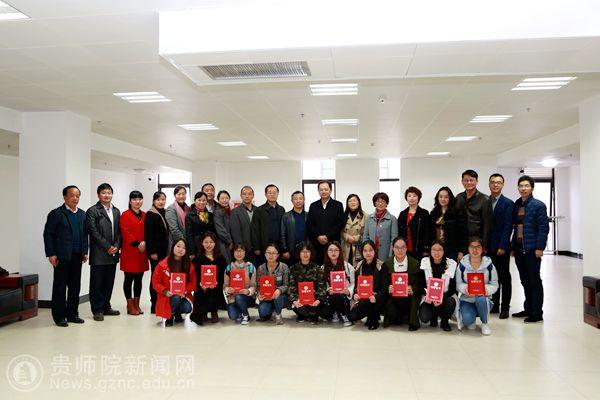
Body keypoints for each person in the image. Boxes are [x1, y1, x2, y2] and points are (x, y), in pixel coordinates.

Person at [43, 185, 89, 327]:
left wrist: (85, 251)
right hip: (62, 256)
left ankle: (73, 314)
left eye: (77, 195)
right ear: (65, 197)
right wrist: (51, 254)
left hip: (77, 255)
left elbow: (84, 235)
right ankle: (59, 317)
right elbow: (48, 234)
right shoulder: (57, 213)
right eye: (72, 195)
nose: (75, 198)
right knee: (60, 287)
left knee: (75, 286)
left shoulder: (82, 214)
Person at [511, 175, 550, 323]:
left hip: (532, 249)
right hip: (519, 248)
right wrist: (513, 246)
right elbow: (516, 228)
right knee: (524, 280)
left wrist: (540, 247)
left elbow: (543, 228)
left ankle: (537, 312)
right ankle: (528, 308)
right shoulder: (517, 204)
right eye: (521, 186)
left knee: (534, 280)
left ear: (532, 188)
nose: (523, 188)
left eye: (526, 186)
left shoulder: (538, 205)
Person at [87, 183, 121, 321]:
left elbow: (119, 232)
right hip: (99, 253)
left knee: (109, 282)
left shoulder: (116, 211)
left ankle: (106, 306)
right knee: (97, 283)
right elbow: (93, 232)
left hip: (113, 253)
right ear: (98, 195)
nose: (107, 195)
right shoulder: (93, 211)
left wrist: (117, 246)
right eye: (104, 193)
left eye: (109, 192)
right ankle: (97, 309)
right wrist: (107, 247)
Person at [456, 237, 499, 335]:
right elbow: (458, 284)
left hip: (483, 298)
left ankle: (485, 323)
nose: (475, 250)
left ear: (483, 249)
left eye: (478, 247)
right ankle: (471, 317)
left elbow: (495, 284)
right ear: (468, 248)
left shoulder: (489, 265)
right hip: (467, 299)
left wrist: (485, 290)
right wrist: (465, 289)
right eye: (472, 247)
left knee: (482, 300)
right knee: (468, 322)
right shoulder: (462, 265)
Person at [151, 239, 196, 327]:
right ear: (172, 247)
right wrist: (165, 291)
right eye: (178, 246)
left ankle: (176, 312)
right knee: (175, 297)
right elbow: (155, 282)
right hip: (167, 296)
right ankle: (170, 316)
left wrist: (185, 291)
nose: (180, 249)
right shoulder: (162, 265)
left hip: (182, 296)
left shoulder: (189, 265)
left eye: (184, 248)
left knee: (187, 308)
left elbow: (193, 283)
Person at [488, 173, 514, 319]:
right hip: (488, 247)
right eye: (493, 182)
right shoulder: (486, 201)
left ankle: (505, 307)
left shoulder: (508, 203)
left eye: (498, 182)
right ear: (489, 184)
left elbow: (508, 226)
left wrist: (503, 245)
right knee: (493, 276)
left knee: (504, 277)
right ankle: (494, 305)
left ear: (503, 185)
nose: (495, 185)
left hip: (501, 247)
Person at [119, 190, 149, 316]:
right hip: (130, 251)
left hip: (142, 251)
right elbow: (126, 232)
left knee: (139, 279)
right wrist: (138, 244)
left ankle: (137, 304)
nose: (138, 201)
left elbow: (149, 230)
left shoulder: (145, 215)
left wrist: (145, 242)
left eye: (140, 199)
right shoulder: (125, 215)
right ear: (130, 201)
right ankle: (130, 304)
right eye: (135, 199)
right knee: (128, 278)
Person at [382, 237, 422, 331]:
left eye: (402, 247)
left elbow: (420, 284)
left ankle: (410, 319)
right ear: (393, 248)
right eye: (397, 247)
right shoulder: (387, 264)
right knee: (391, 312)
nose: (400, 250)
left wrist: (413, 289)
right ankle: (399, 317)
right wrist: (388, 288)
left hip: (409, 298)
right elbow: (383, 284)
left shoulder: (415, 264)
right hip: (394, 298)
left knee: (412, 301)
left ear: (406, 248)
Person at [350, 240, 389, 330]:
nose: (368, 253)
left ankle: (374, 319)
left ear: (375, 251)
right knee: (352, 316)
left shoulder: (381, 265)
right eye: (365, 250)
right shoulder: (359, 266)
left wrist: (376, 297)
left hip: (377, 299)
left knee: (364, 302)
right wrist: (355, 294)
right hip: (363, 298)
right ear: (362, 252)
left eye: (370, 250)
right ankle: (370, 315)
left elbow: (385, 287)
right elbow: (356, 285)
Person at [419, 240, 457, 332]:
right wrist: (427, 295)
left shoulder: (451, 264)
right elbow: (420, 284)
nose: (437, 252)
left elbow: (453, 288)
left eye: (440, 249)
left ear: (444, 251)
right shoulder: (424, 262)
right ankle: (434, 317)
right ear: (430, 251)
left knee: (451, 302)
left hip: (445, 298)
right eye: (434, 249)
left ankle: (444, 321)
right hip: (428, 299)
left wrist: (441, 298)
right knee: (424, 318)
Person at [190, 232, 227, 325]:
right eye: (206, 242)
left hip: (216, 290)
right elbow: (194, 277)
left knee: (213, 297)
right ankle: (203, 312)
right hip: (202, 290)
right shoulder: (196, 259)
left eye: (211, 242)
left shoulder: (221, 259)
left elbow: (223, 278)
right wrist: (201, 285)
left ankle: (213, 311)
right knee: (198, 314)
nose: (208, 245)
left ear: (215, 243)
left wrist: (216, 284)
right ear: (202, 243)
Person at [288, 241, 326, 324]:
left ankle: (312, 314)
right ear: (299, 253)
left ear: (311, 253)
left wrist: (318, 300)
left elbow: (322, 287)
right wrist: (295, 301)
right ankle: (303, 315)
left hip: (314, 300)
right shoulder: (293, 268)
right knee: (300, 309)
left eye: (308, 251)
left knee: (315, 308)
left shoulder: (317, 268)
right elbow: (291, 287)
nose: (305, 254)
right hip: (299, 299)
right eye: (302, 251)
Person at [455, 170, 493, 252]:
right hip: (460, 241)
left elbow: (487, 225)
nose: (469, 183)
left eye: (471, 180)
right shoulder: (459, 197)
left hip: (477, 242)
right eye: (466, 180)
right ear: (462, 182)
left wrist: (484, 246)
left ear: (476, 181)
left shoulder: (485, 199)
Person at [306, 180, 345, 262]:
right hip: (316, 243)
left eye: (326, 189)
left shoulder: (338, 205)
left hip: (333, 243)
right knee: (317, 265)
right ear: (318, 191)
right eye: (321, 190)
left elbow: (340, 224)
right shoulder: (313, 206)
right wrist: (318, 236)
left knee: (333, 264)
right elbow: (310, 224)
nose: (323, 191)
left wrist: (327, 236)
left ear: (331, 190)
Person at [144, 191, 169, 314]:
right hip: (155, 252)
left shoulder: (164, 212)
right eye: (158, 200)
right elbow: (148, 235)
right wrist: (152, 251)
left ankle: (162, 301)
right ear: (154, 201)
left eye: (163, 199)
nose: (161, 202)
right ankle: (154, 303)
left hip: (165, 251)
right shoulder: (150, 214)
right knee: (156, 277)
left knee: (164, 277)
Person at [320, 241, 355, 327]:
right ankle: (335, 312)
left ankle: (344, 314)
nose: (333, 252)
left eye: (336, 250)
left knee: (337, 296)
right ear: (327, 252)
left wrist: (348, 291)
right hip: (330, 298)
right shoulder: (323, 268)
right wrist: (328, 290)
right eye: (330, 250)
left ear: (340, 252)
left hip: (344, 297)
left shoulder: (347, 266)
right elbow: (322, 285)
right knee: (323, 314)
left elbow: (353, 283)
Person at [252, 184, 285, 267]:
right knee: (264, 268)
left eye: (274, 192)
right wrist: (256, 247)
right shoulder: (259, 210)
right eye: (270, 193)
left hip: (278, 245)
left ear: (278, 194)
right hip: (264, 245)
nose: (272, 194)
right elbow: (255, 229)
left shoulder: (281, 209)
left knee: (278, 267)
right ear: (265, 194)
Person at [223, 244, 257, 325]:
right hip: (233, 297)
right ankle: (240, 311)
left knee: (239, 297)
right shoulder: (229, 267)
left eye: (241, 251)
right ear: (233, 253)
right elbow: (225, 285)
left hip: (247, 297)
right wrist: (227, 290)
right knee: (233, 316)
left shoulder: (250, 267)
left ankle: (245, 315)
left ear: (245, 253)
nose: (239, 253)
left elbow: (253, 285)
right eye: (236, 251)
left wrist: (248, 291)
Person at [256, 243, 289, 325]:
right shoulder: (260, 268)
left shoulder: (284, 267)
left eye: (274, 253)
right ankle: (273, 310)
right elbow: (258, 286)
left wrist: (279, 290)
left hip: (280, 297)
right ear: (265, 254)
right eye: (268, 253)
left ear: (278, 255)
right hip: (266, 298)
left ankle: (278, 314)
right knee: (263, 312)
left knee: (278, 296)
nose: (271, 255)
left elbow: (286, 284)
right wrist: (259, 294)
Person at [430, 186, 465, 261]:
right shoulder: (433, 213)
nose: (443, 199)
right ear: (437, 198)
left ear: (450, 198)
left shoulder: (457, 212)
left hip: (451, 249)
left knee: (451, 267)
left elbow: (462, 233)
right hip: (436, 249)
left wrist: (461, 251)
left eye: (446, 197)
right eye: (440, 197)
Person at [398, 186, 431, 261]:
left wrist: (426, 248)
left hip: (419, 249)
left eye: (414, 196)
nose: (411, 198)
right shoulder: (402, 214)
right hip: (405, 249)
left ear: (418, 198)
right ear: (406, 198)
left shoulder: (424, 213)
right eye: (409, 196)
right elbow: (399, 232)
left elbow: (427, 231)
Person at [364, 192, 398, 261]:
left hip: (386, 253)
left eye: (383, 201)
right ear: (374, 203)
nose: (380, 204)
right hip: (370, 252)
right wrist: (365, 251)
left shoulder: (392, 219)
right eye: (378, 201)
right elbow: (365, 236)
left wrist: (391, 254)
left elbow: (394, 239)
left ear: (386, 203)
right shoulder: (369, 218)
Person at [230, 186, 258, 261]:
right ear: (241, 196)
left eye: (249, 194)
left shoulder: (258, 210)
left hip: (257, 250)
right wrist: (241, 249)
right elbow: (235, 233)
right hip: (243, 249)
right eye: (244, 194)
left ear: (253, 195)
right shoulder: (235, 212)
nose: (247, 196)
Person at [280, 190, 307, 266]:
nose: (298, 201)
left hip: (305, 249)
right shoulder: (286, 216)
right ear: (292, 201)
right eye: (295, 199)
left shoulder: (308, 215)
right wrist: (285, 249)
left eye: (300, 198)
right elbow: (282, 234)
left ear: (304, 200)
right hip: (291, 250)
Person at [185, 191, 215, 257]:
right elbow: (189, 235)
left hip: (209, 246)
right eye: (199, 200)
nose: (201, 202)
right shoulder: (189, 216)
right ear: (195, 201)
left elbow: (213, 232)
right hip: (196, 246)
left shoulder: (210, 215)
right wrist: (192, 252)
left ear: (206, 201)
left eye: (204, 200)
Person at [341, 194, 365, 267]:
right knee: (346, 267)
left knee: (358, 268)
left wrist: (357, 238)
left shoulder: (365, 216)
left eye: (354, 200)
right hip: (346, 246)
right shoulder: (343, 216)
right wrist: (346, 237)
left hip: (358, 247)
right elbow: (340, 230)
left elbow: (367, 232)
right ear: (347, 204)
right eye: (350, 201)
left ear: (359, 202)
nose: (352, 202)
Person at [213, 190, 233, 263]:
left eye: (226, 198)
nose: (224, 200)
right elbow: (220, 230)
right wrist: (229, 241)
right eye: (222, 198)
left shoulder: (229, 211)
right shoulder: (217, 212)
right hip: (223, 242)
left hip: (229, 241)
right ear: (218, 200)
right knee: (226, 262)